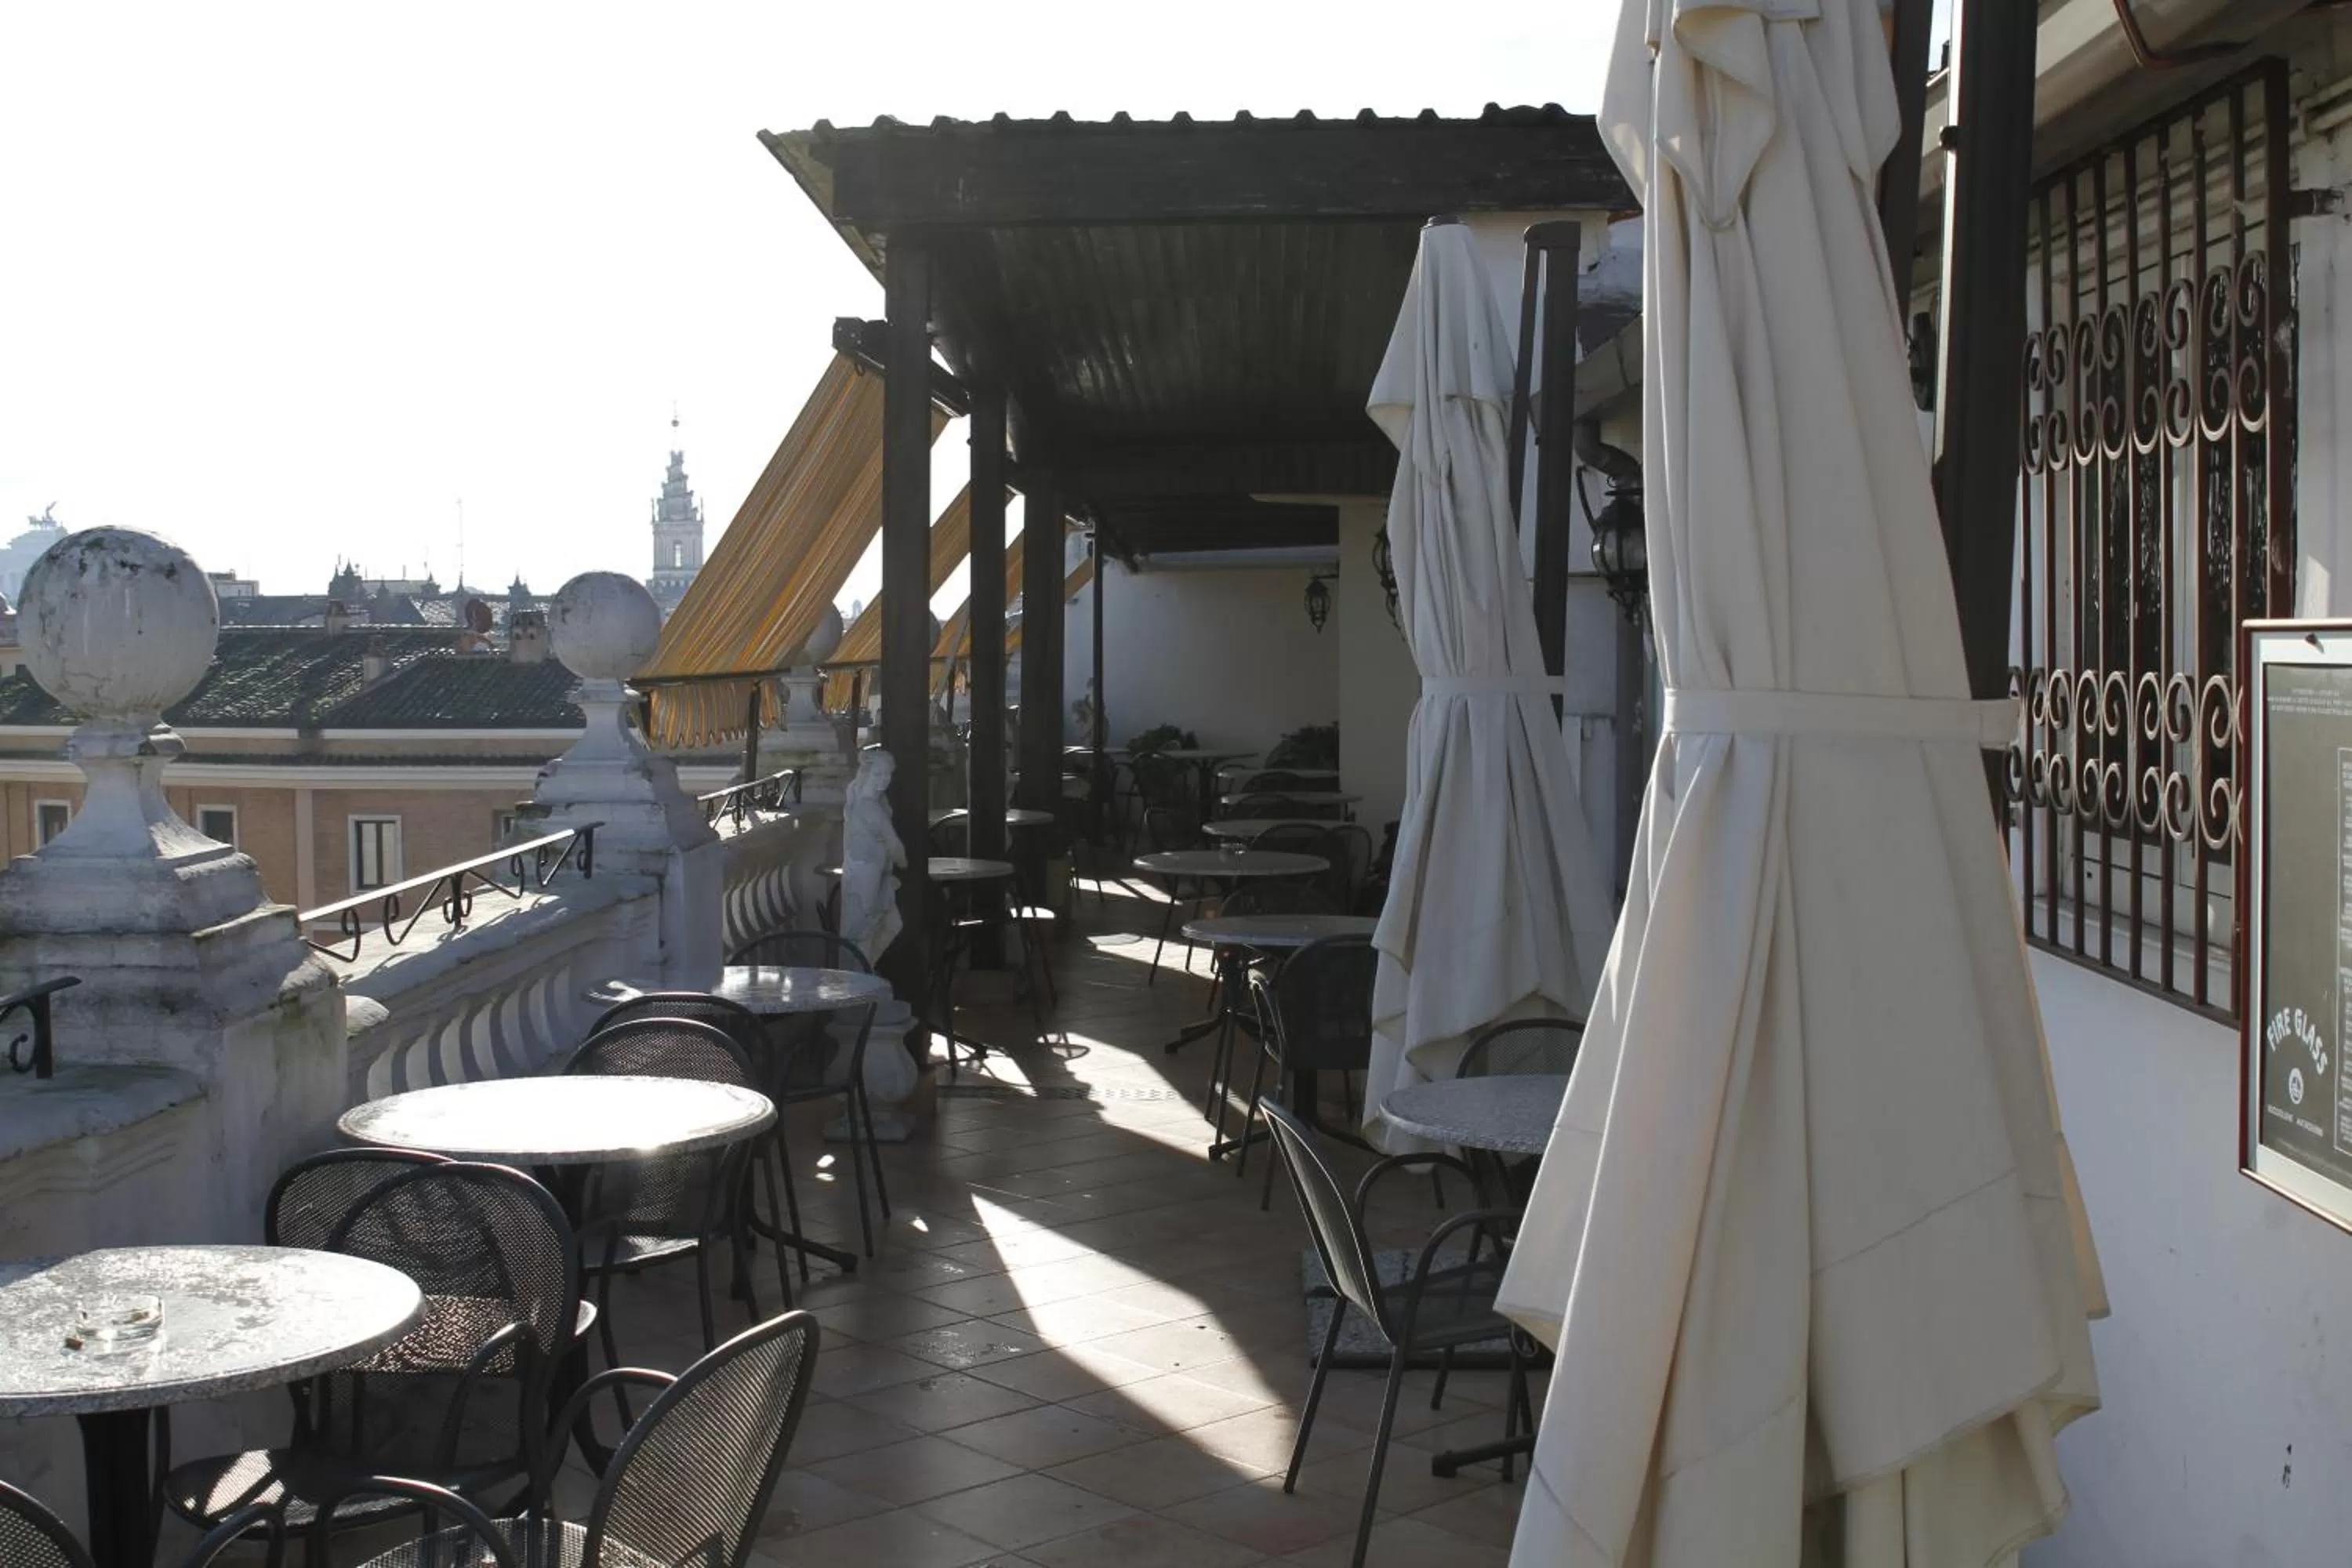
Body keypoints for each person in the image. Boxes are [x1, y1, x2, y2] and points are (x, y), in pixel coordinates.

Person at [838, 747, 906, 963]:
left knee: (891, 924)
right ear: (866, 774)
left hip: (875, 869)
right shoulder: (869, 807)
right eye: (878, 774)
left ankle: (866, 971)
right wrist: (904, 863)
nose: (884, 780)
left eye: (888, 774)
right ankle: (861, 978)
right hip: (865, 871)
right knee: (864, 930)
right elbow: (894, 844)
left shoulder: (875, 801)